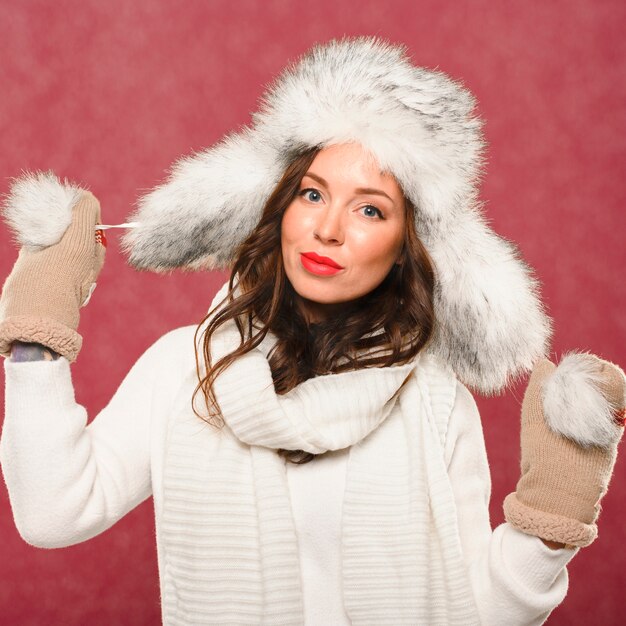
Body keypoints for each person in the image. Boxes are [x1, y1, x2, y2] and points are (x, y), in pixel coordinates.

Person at [0, 37, 624, 626]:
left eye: (369, 208)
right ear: (278, 207)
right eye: (311, 193)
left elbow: (477, 614)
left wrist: (549, 522)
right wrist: (37, 338)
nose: (328, 229)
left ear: (406, 247)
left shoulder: (434, 402)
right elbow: (54, 511)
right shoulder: (183, 372)